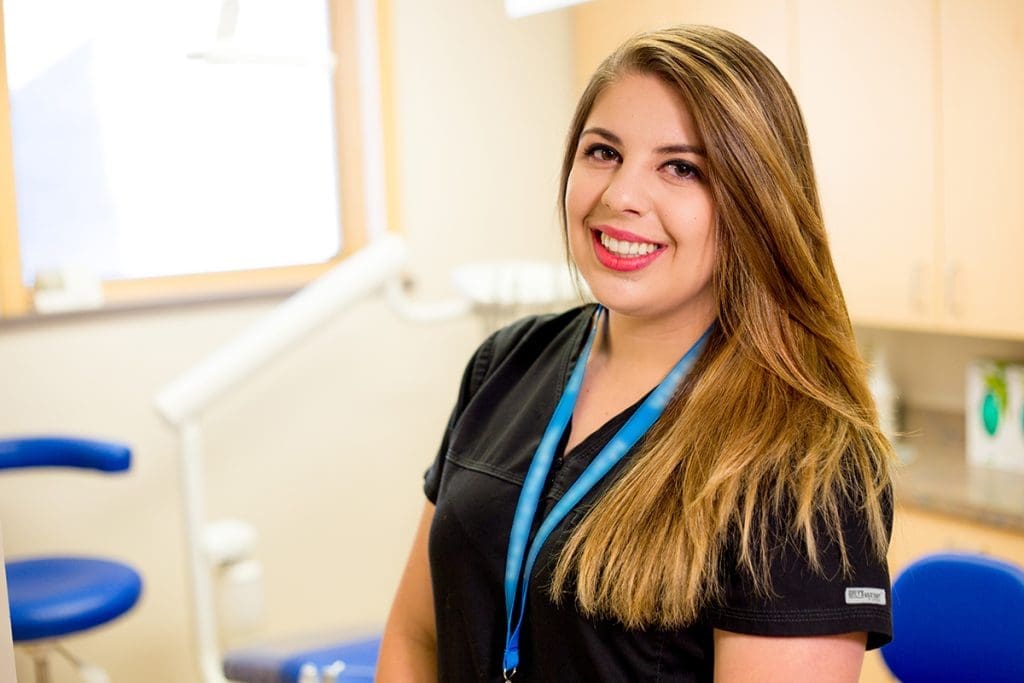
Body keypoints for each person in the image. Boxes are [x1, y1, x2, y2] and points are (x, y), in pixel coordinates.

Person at [377, 24, 894, 683]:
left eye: (681, 167)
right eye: (602, 152)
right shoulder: (503, 363)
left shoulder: (806, 459)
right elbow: (417, 637)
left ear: (754, 201)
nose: (620, 195)